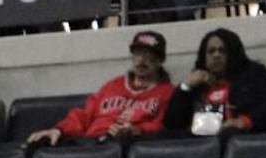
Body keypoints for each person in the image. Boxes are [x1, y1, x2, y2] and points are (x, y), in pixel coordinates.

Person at [27, 33, 174, 148]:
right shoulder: (113, 85)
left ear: (159, 60)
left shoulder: (167, 92)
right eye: (137, 54)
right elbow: (84, 115)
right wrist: (58, 130)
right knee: (41, 143)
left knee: (120, 142)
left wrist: (137, 130)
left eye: (148, 56)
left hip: (127, 145)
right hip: (91, 143)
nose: (141, 61)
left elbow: (164, 127)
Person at [162, 28, 266, 136]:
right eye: (211, 51)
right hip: (199, 141)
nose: (216, 55)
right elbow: (172, 124)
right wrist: (185, 87)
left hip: (236, 137)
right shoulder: (196, 84)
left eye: (223, 51)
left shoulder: (252, 76)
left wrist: (244, 121)